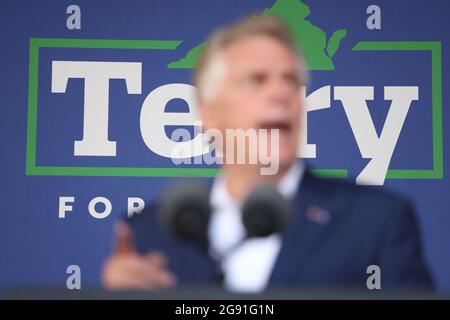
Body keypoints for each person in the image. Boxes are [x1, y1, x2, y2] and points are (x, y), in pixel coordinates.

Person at [101, 15, 433, 293]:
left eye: (291, 81)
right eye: (256, 80)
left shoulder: (375, 222)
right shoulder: (149, 233)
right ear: (209, 113)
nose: (280, 93)